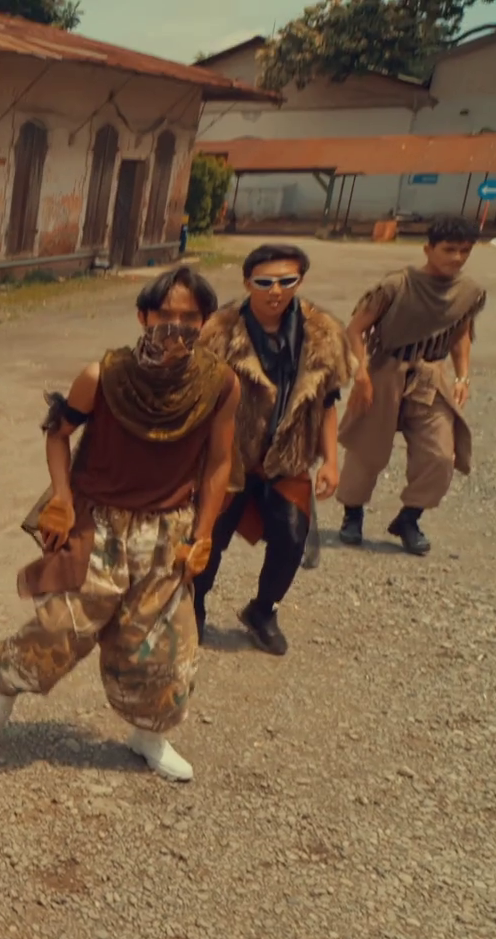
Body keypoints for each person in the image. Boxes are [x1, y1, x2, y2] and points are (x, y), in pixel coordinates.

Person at [0, 267, 240, 782]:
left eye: (190, 317)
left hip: (168, 530)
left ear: (206, 323)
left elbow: (219, 463)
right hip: (100, 522)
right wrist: (61, 498)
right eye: (165, 315)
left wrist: (204, 532)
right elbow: (57, 434)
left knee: (162, 644)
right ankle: (8, 681)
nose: (176, 328)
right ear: (143, 316)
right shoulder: (102, 377)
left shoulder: (220, 385)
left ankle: (149, 734)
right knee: (66, 624)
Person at [191, 245, 353, 655]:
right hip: (229, 458)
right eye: (264, 282)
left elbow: (327, 403)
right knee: (209, 535)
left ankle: (263, 611)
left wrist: (331, 462)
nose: (275, 290)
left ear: (300, 281)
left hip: (287, 457)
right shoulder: (218, 332)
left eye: (286, 280)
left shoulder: (322, 335)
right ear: (248, 283)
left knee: (292, 538)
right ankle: (193, 607)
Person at [337, 215, 485, 556]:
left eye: (465, 251)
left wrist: (463, 376)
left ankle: (409, 518)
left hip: (430, 375)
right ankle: (352, 514)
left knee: (440, 454)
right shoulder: (396, 285)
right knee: (368, 449)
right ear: (428, 249)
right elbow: (355, 329)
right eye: (449, 249)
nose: (457, 258)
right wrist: (361, 375)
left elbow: (461, 335)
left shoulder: (468, 292)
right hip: (385, 370)